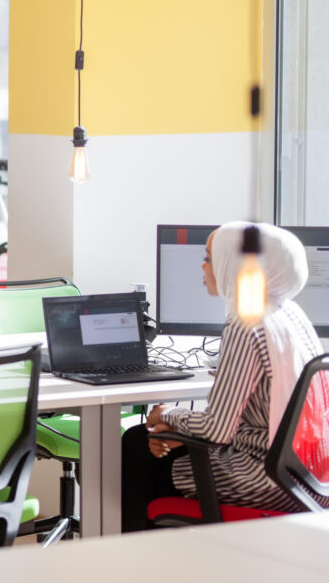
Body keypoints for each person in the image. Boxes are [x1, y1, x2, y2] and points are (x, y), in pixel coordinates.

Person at [121, 222, 324, 532]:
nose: (202, 266)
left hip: (266, 476)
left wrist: (168, 415)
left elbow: (217, 429)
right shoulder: (291, 315)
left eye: (209, 257)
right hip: (311, 476)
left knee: (136, 446)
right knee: (151, 442)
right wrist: (178, 429)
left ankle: (132, 567)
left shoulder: (246, 323)